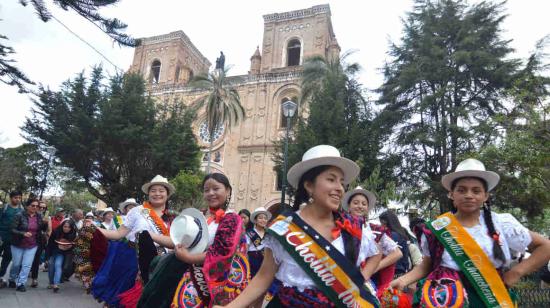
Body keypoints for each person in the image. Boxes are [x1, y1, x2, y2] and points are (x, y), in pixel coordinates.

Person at [216, 145, 382, 308]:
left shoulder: (352, 226)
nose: (339, 188)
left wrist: (356, 282)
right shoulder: (283, 228)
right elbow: (263, 277)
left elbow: (376, 254)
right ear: (309, 185)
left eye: (342, 182)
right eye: (331, 179)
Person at [390, 158, 550, 307]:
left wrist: (516, 272)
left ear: (485, 196)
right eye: (462, 190)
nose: (469, 195)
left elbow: (545, 246)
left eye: (476, 191)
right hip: (446, 298)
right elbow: (427, 265)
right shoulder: (438, 227)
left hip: (491, 296)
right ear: (451, 194)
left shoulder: (501, 223)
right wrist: (403, 280)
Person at [165, 173, 250, 307]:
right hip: (196, 276)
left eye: (216, 189)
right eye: (206, 190)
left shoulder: (232, 219)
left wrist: (187, 258)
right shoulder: (203, 217)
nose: (211, 193)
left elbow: (221, 252)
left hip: (219, 283)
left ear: (227, 190)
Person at [92, 175, 175, 307]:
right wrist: (95, 230)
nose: (157, 193)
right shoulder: (138, 211)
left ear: (167, 194)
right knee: (124, 300)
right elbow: (118, 234)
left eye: (161, 190)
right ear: (148, 194)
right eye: (153, 190)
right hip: (132, 261)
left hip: (158, 263)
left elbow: (173, 243)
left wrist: (149, 236)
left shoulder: (173, 218)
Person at [342, 186, 402, 296]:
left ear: (367, 208)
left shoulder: (374, 230)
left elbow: (397, 253)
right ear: (348, 207)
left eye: (364, 204)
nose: (360, 206)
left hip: (363, 280)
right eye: (356, 203)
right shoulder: (338, 225)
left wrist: (374, 267)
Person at [9, 198, 48, 291]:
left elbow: (42, 229)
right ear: (27, 206)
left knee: (27, 265)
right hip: (18, 244)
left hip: (32, 244)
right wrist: (23, 233)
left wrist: (45, 223)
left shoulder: (39, 216)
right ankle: (12, 278)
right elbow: (12, 229)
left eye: (37, 206)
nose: (35, 207)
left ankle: (21, 283)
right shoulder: (19, 215)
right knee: (16, 264)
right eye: (32, 205)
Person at [379, 211, 414, 279]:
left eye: (381, 223)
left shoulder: (391, 235)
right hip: (401, 273)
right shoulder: (401, 234)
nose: (381, 226)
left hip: (393, 273)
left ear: (386, 223)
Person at [46, 219, 77, 292]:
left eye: (68, 227)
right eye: (65, 226)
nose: (66, 228)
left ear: (71, 228)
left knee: (58, 265)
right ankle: (51, 283)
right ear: (62, 226)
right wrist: (47, 257)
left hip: (63, 253)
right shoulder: (56, 232)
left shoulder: (73, 234)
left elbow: (74, 246)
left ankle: (56, 284)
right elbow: (49, 244)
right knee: (51, 266)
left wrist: (70, 246)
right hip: (53, 252)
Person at [0, 190, 23, 288]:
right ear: (11, 198)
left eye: (19, 198)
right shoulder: (4, 208)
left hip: (12, 239)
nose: (17, 199)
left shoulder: (22, 210)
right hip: (1, 237)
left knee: (7, 259)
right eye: (15, 197)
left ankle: (1, 277)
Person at [29, 200, 52, 287]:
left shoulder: (46, 217)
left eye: (44, 207)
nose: (41, 209)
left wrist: (46, 238)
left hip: (40, 240)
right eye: (40, 207)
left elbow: (49, 229)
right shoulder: (32, 215)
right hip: (29, 239)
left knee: (36, 259)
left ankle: (34, 279)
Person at [246, 207, 271, 278]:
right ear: (255, 220)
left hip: (266, 261)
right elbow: (245, 251)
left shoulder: (269, 233)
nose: (263, 220)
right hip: (253, 261)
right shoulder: (250, 233)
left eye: (265, 218)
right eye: (260, 218)